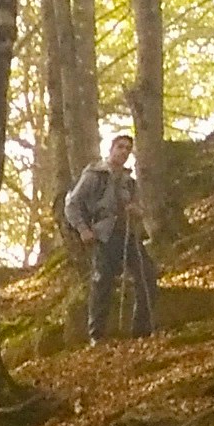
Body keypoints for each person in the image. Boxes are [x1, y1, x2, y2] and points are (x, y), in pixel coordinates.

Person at [60, 133, 156, 340]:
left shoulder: (129, 182)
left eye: (128, 149)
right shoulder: (94, 175)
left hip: (129, 234)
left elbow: (140, 208)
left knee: (147, 273)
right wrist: (83, 229)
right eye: (120, 147)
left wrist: (137, 211)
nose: (124, 152)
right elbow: (72, 204)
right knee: (102, 282)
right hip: (104, 235)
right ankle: (97, 335)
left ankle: (142, 330)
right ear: (111, 149)